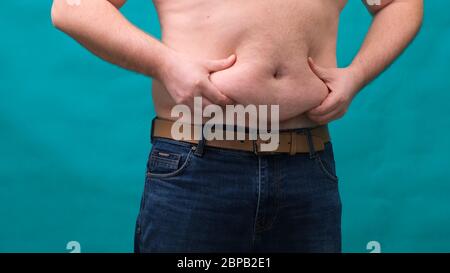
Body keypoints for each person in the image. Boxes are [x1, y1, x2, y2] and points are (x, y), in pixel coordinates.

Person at [51, 0, 424, 252]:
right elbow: (73, 8)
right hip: (196, 165)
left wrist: (356, 75)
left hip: (306, 167)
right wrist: (164, 64)